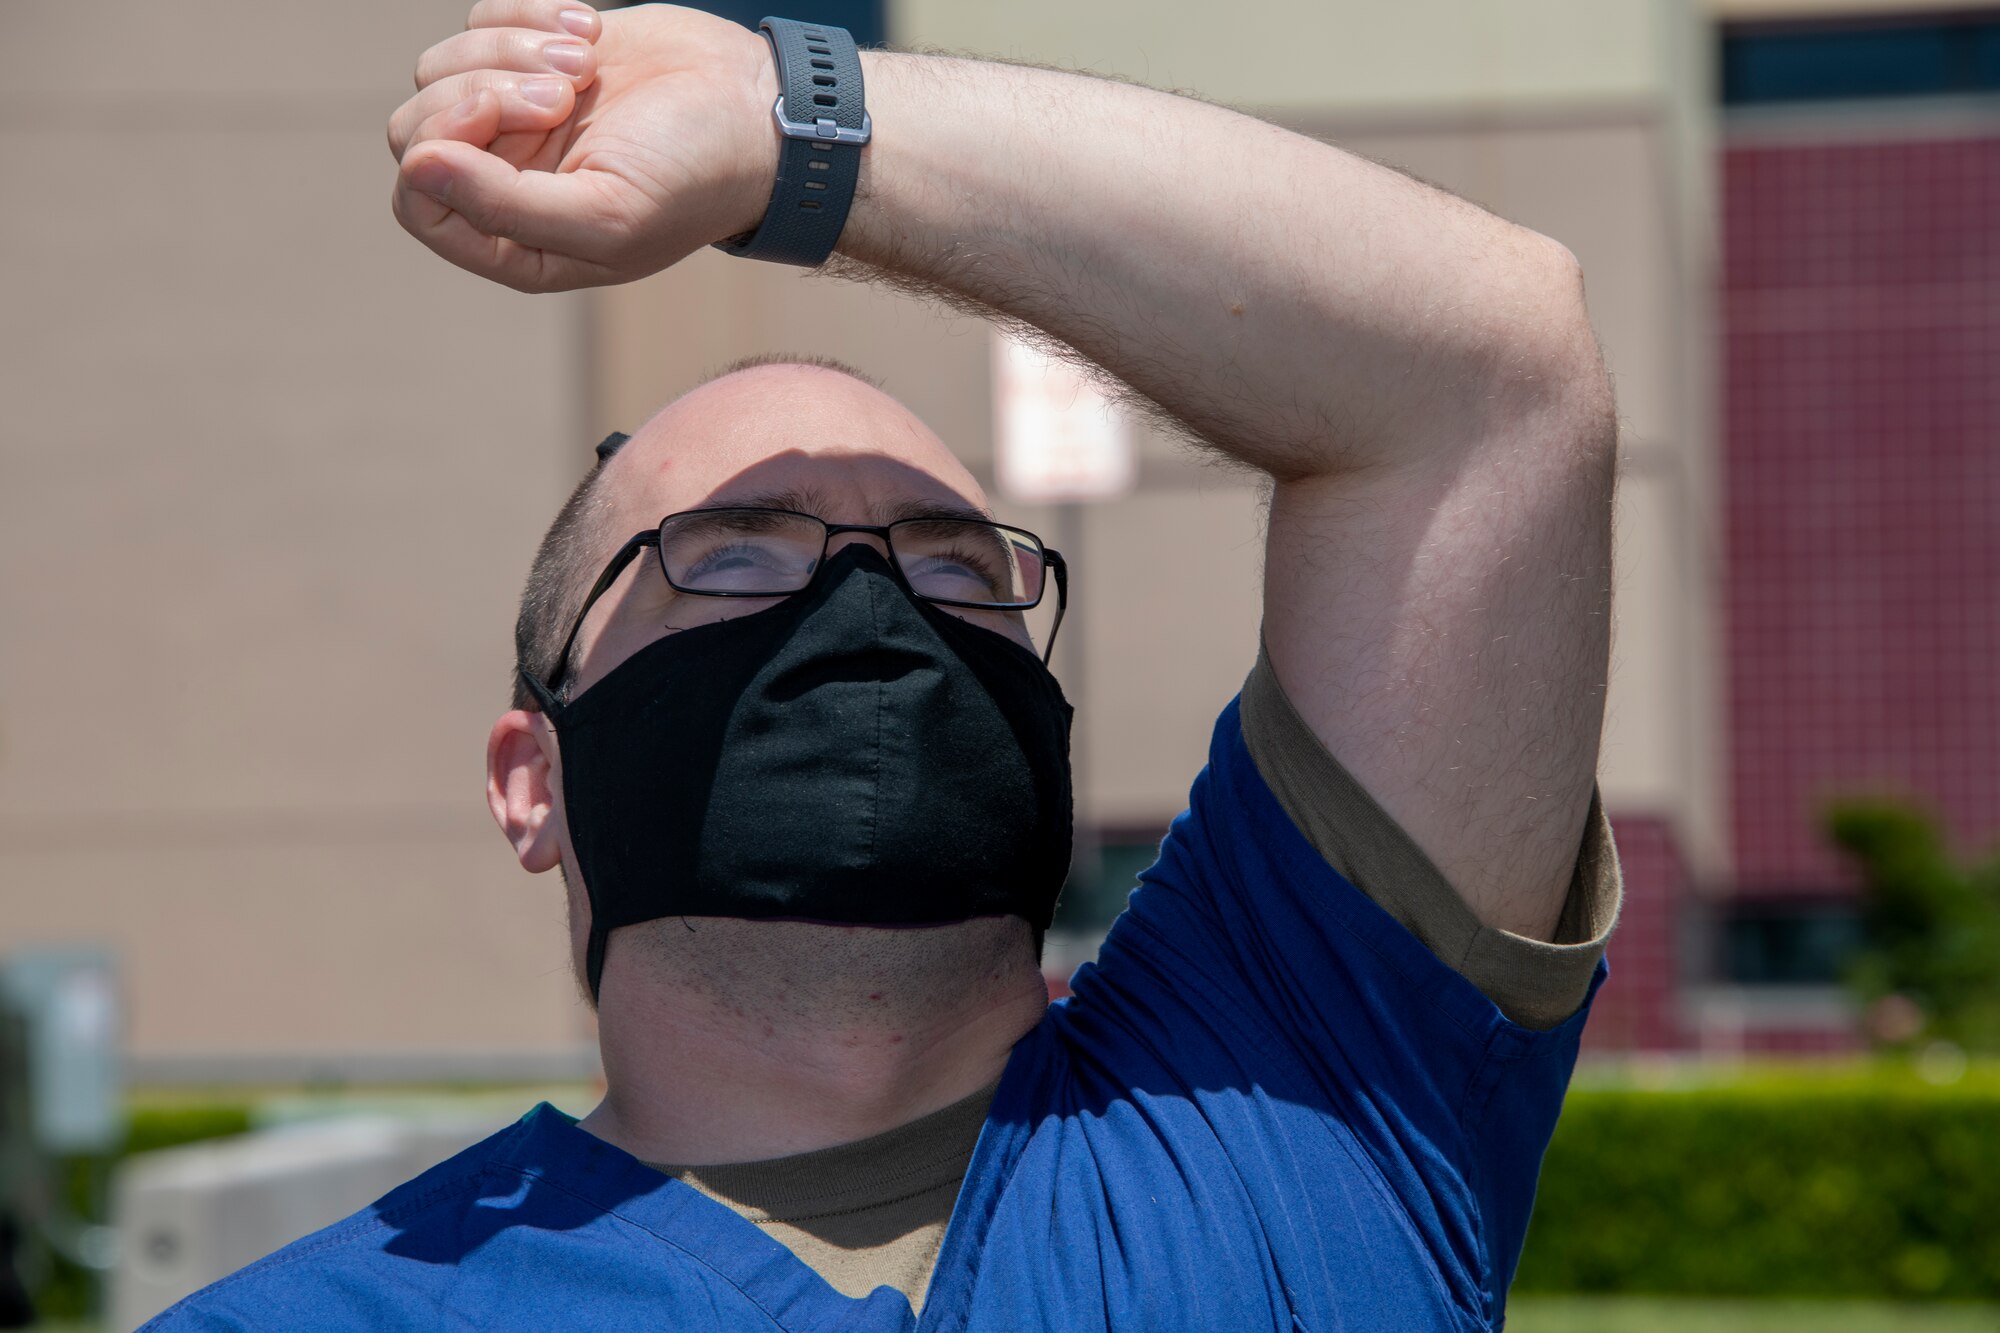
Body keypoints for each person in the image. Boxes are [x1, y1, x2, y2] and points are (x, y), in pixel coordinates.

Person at [146, 1, 1621, 1328]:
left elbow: (1486, 372)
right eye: (732, 552)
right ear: (530, 779)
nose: (868, 600)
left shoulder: (1305, 1094)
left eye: (954, 562)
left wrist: (779, 121)